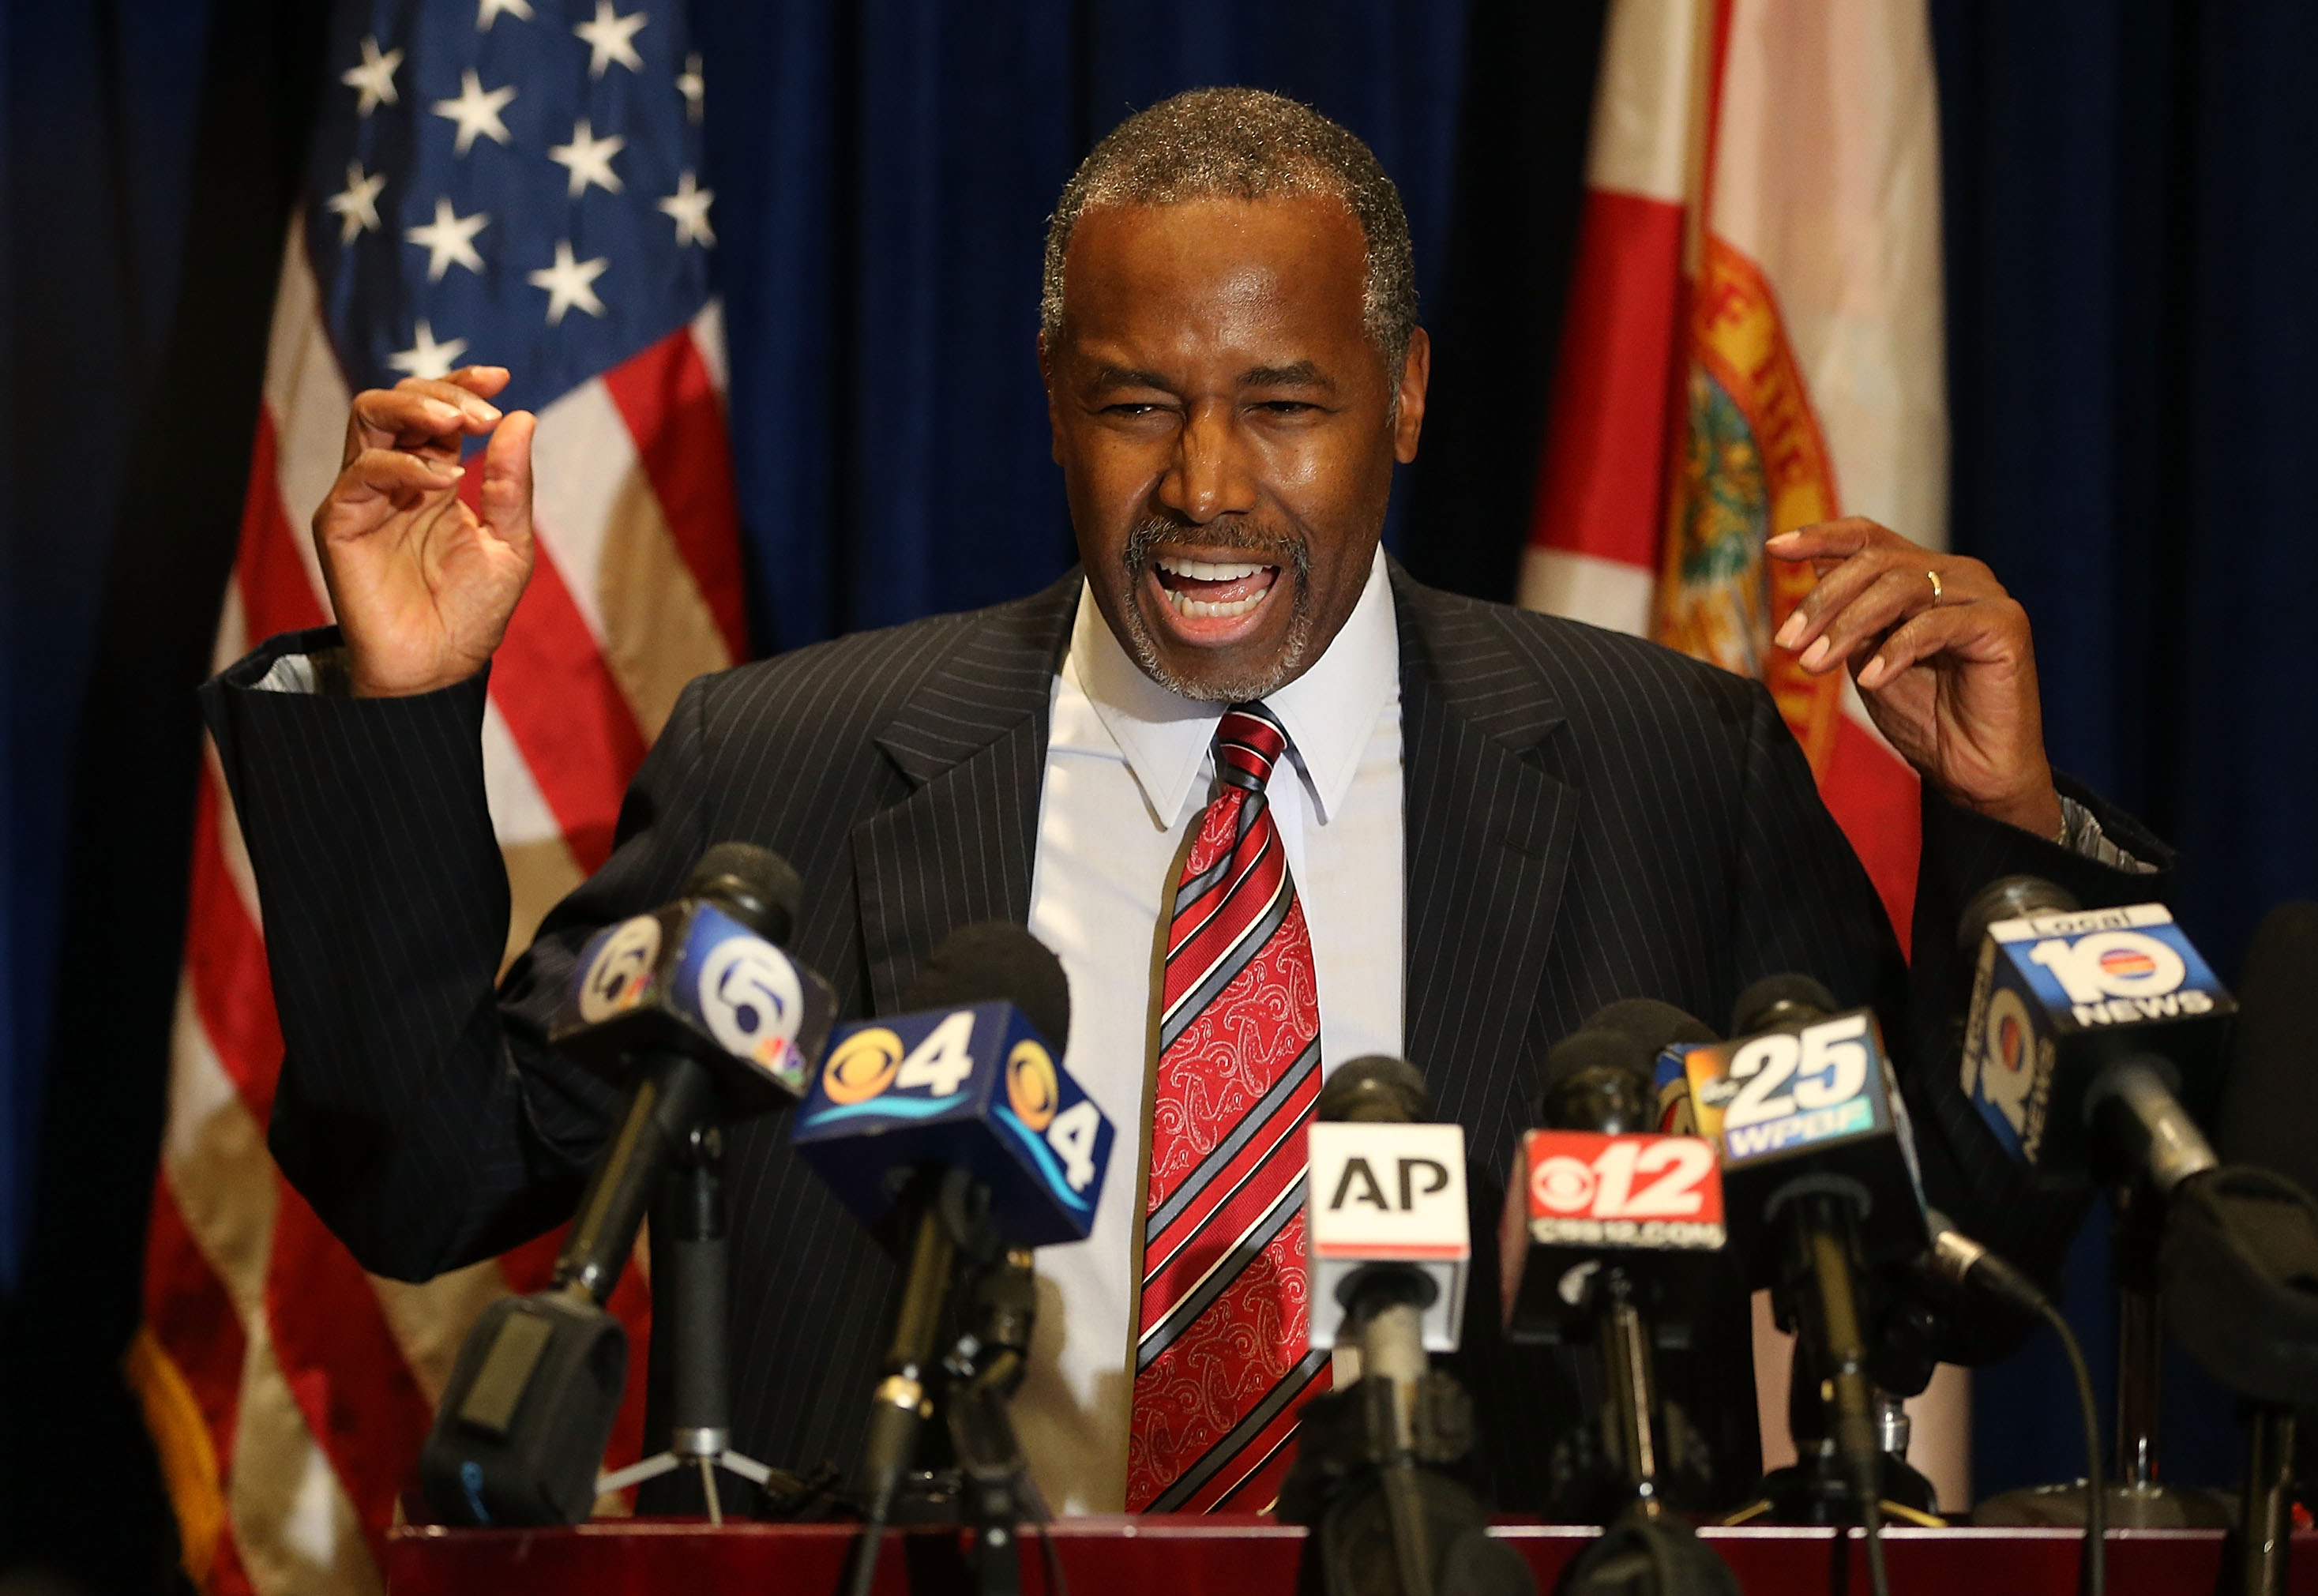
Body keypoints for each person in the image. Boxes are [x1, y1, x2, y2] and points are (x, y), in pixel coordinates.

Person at [202, 88, 2163, 1517]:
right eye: (1140, 401)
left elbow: (1935, 1270)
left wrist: (2006, 839)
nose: (1209, 484)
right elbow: (434, 1174)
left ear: (1404, 398)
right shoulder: (787, 766)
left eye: (1286, 405)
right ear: (1053, 396)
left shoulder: (1668, 764)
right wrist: (404, 693)